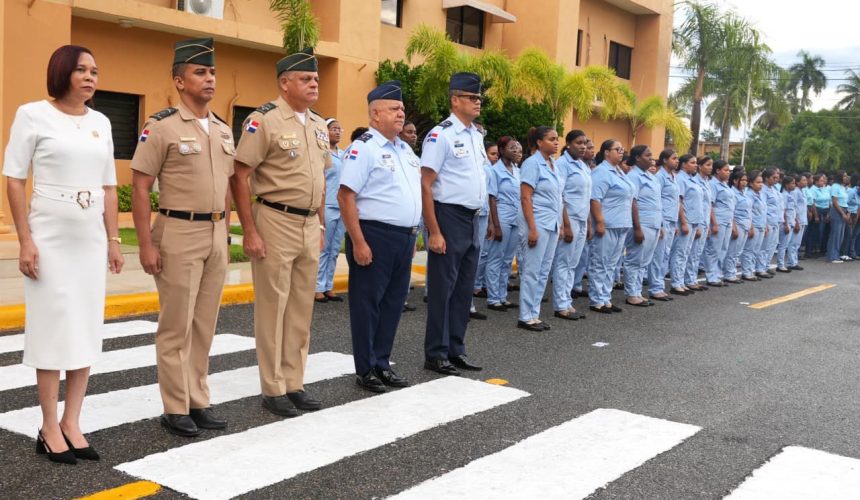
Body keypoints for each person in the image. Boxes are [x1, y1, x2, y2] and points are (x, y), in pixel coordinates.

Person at [3, 44, 123, 463]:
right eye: (82, 70)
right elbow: (15, 179)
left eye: (95, 70)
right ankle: (48, 425)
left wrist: (113, 239)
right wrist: (26, 239)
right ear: (61, 73)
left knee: (86, 328)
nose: (91, 77)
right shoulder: (32, 114)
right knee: (54, 329)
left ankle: (73, 422)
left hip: (89, 237)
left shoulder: (102, 122)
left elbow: (109, 185)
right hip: (49, 236)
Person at [131, 38, 232, 437]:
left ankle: (197, 399)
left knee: (205, 324)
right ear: (179, 80)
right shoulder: (161, 126)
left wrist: (225, 231)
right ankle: (174, 406)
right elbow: (140, 187)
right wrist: (145, 243)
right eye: (200, 72)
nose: (209, 79)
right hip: (177, 232)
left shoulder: (223, 130)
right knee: (176, 326)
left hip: (215, 233)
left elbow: (225, 184)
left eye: (211, 73)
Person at [230, 47, 329, 417]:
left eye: (316, 78)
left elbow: (320, 178)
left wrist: (319, 223)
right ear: (285, 83)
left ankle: (294, 382)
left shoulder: (319, 125)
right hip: (274, 219)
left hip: (307, 224)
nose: (313, 83)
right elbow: (240, 175)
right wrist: (249, 231)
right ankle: (272, 388)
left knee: (301, 309)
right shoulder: (263, 121)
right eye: (306, 78)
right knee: (273, 308)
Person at [337, 81, 420, 393]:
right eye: (394, 109)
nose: (401, 114)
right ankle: (366, 368)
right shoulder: (364, 149)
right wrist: (358, 241)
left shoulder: (406, 150)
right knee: (367, 305)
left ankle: (383, 363)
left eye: (401, 108)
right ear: (375, 115)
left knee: (393, 305)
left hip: (403, 239)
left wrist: (413, 236)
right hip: (374, 235)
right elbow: (346, 197)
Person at [420, 72, 487, 375]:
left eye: (479, 98)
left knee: (463, 289)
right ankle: (435, 352)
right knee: (442, 288)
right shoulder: (441, 135)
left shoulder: (475, 135)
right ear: (455, 99)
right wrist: (434, 230)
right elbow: (426, 183)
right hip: (448, 215)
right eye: (472, 98)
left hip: (472, 218)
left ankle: (455, 348)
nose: (477, 103)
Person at [517, 127, 564, 330]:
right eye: (551, 139)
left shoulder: (553, 164)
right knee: (532, 271)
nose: (556, 142)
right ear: (539, 142)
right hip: (537, 223)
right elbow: (526, 197)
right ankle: (525, 316)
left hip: (552, 223)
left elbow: (558, 198)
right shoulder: (531, 163)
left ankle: (534, 314)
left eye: (557, 139)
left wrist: (560, 224)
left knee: (544, 271)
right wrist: (532, 228)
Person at [588, 139, 634, 313]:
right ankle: (597, 300)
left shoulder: (618, 171)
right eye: (617, 149)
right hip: (607, 224)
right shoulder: (601, 172)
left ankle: (605, 298)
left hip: (621, 224)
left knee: (612, 264)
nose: (621, 152)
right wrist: (599, 222)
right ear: (607, 152)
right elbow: (595, 199)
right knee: (600, 262)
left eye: (622, 149)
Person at [550, 130, 590, 319]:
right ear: (568, 144)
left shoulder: (583, 166)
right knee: (563, 262)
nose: (583, 147)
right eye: (578, 143)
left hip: (582, 218)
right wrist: (565, 225)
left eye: (585, 143)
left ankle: (567, 301)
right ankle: (560, 305)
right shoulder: (562, 165)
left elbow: (587, 197)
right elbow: (560, 196)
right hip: (570, 218)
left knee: (573, 263)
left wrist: (588, 223)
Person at [485, 136, 521, 311]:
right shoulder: (495, 171)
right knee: (496, 258)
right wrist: (495, 225)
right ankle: (493, 299)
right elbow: (491, 198)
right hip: (502, 215)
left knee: (507, 259)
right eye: (511, 148)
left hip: (516, 217)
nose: (515, 151)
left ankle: (502, 296)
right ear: (501, 150)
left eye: (517, 148)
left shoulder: (517, 169)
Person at [622, 145, 661, 306]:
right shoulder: (633, 176)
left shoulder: (651, 176)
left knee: (644, 260)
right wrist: (637, 227)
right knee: (635, 259)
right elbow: (633, 202)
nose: (651, 158)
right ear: (637, 158)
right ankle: (631, 293)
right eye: (647, 155)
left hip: (654, 222)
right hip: (642, 223)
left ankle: (637, 291)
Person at [314, 118, 346, 303]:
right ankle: (317, 287)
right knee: (323, 248)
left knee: (334, 249)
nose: (337, 132)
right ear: (325, 131)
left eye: (339, 128)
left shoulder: (342, 154)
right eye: (333, 128)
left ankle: (328, 286)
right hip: (327, 206)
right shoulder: (322, 153)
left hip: (341, 207)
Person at [647, 149, 679, 301]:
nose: (676, 161)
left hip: (672, 219)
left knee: (665, 254)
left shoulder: (673, 177)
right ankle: (655, 287)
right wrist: (660, 224)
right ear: (665, 160)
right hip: (663, 218)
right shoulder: (660, 177)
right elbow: (657, 201)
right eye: (673, 158)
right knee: (659, 255)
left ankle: (659, 285)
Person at [668, 154, 701, 296]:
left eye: (696, 163)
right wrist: (683, 222)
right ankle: (676, 283)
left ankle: (681, 281)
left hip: (694, 221)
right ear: (683, 164)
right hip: (685, 221)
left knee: (686, 252)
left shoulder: (691, 179)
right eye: (692, 163)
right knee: (679, 252)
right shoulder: (680, 179)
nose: (695, 165)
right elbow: (679, 202)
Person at [702, 160, 736, 286]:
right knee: (714, 249)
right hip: (719, 219)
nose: (728, 173)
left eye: (729, 170)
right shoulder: (713, 184)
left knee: (723, 248)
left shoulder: (725, 185)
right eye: (725, 170)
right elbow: (711, 205)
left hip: (727, 220)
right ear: (718, 171)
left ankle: (717, 274)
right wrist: (714, 223)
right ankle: (711, 276)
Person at [685, 156, 713, 291]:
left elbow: (708, 205)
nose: (710, 168)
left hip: (704, 220)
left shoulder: (707, 182)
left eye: (711, 165)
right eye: (707, 165)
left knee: (697, 252)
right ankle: (689, 280)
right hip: (696, 220)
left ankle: (691, 279)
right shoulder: (694, 181)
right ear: (700, 167)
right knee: (691, 252)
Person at [723, 169, 750, 283]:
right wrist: (734, 227)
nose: (745, 182)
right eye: (742, 180)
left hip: (745, 224)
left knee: (738, 251)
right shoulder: (733, 193)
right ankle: (729, 274)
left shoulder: (744, 193)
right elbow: (732, 211)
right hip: (737, 224)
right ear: (735, 181)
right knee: (732, 251)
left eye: (746, 180)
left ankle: (732, 273)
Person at [741, 170, 767, 281]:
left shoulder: (761, 194)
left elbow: (764, 211)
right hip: (753, 225)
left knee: (756, 250)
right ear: (751, 183)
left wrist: (765, 225)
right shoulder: (748, 194)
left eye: (761, 182)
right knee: (749, 250)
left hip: (761, 224)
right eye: (757, 182)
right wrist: (750, 226)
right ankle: (746, 272)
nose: (760, 184)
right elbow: (749, 212)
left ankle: (751, 270)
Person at [755, 168, 782, 277]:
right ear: (766, 178)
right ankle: (760, 268)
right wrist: (765, 223)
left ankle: (765, 265)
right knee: (764, 246)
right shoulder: (763, 190)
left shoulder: (774, 189)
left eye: (777, 177)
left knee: (772, 245)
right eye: (773, 178)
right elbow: (763, 208)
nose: (776, 180)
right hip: (768, 221)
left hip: (775, 221)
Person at [826, 170, 851, 263]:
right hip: (837, 211)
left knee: (841, 235)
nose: (846, 177)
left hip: (844, 209)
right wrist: (842, 213)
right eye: (844, 176)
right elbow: (835, 202)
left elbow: (845, 201)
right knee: (835, 234)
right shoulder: (835, 186)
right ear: (840, 177)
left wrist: (847, 211)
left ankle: (836, 254)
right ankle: (832, 256)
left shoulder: (842, 187)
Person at [775, 175, 798, 272]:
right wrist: (785, 224)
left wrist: (795, 221)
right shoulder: (784, 195)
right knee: (783, 245)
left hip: (791, 221)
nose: (794, 185)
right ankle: (780, 265)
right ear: (786, 185)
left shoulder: (790, 194)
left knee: (787, 244)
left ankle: (784, 264)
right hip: (787, 222)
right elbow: (783, 210)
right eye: (792, 183)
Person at [805, 173, 830, 257]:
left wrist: (828, 213)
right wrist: (815, 215)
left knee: (822, 232)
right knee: (814, 232)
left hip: (825, 210)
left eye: (823, 180)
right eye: (821, 180)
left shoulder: (824, 189)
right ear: (816, 181)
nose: (823, 182)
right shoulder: (813, 189)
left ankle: (819, 250)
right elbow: (813, 203)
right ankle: (809, 251)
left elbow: (828, 201)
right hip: (817, 210)